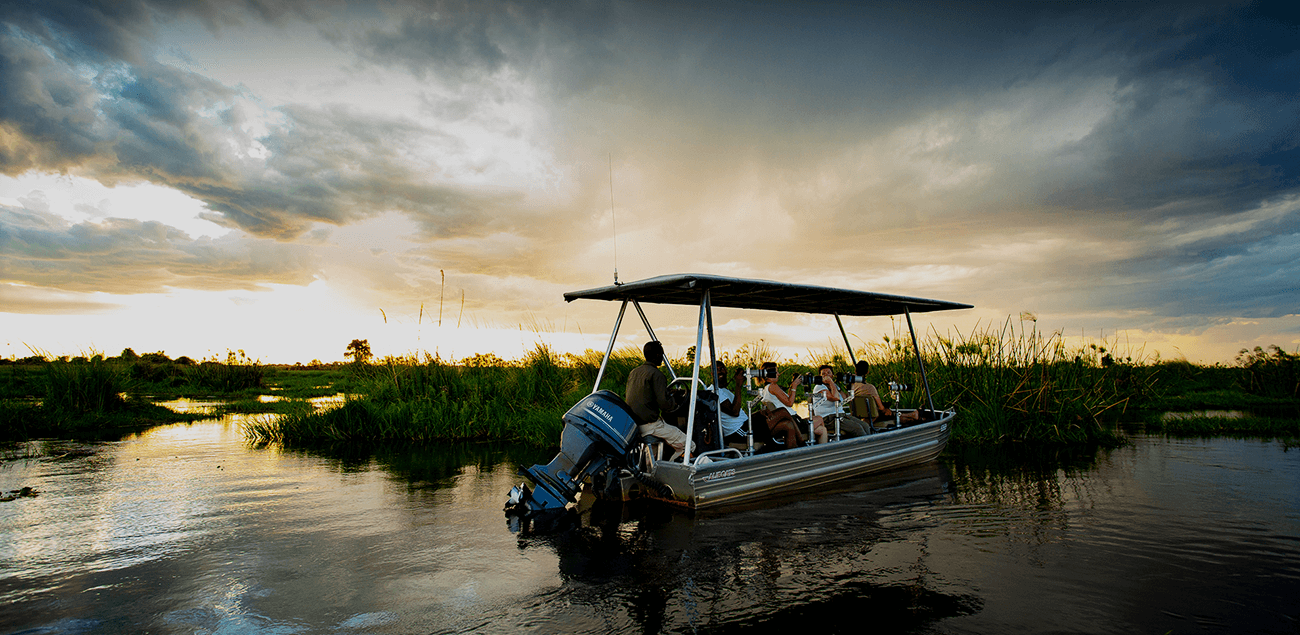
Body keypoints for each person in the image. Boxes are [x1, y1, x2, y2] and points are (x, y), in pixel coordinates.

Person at [625, 341, 692, 459]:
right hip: (651, 425)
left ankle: (652, 466)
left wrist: (667, 393)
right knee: (689, 445)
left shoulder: (633, 372)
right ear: (656, 355)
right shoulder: (657, 375)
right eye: (661, 354)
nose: (662, 357)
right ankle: (672, 466)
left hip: (635, 424)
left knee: (655, 453)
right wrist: (674, 402)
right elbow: (664, 404)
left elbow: (645, 395)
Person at [756, 361, 826, 446]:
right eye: (776, 372)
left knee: (822, 430)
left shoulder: (766, 388)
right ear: (770, 373)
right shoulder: (773, 386)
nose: (778, 374)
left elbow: (787, 400)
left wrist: (792, 387)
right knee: (819, 419)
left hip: (791, 419)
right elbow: (790, 403)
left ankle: (815, 445)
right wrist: (794, 387)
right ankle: (811, 445)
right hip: (793, 420)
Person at [850, 360, 919, 426]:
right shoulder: (870, 388)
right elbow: (881, 408)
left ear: (855, 371)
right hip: (872, 416)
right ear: (867, 372)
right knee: (887, 412)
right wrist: (885, 409)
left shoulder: (851, 386)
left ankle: (912, 416)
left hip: (858, 415)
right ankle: (912, 416)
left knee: (888, 413)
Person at [810, 364, 869, 439]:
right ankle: (864, 445)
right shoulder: (819, 387)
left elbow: (847, 398)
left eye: (829, 373)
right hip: (828, 418)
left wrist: (851, 384)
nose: (826, 375)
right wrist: (831, 382)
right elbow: (835, 398)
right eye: (823, 374)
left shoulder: (834, 386)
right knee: (857, 428)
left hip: (840, 415)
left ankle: (869, 443)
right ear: (820, 376)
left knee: (865, 425)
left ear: (832, 375)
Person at [706, 361, 750, 445]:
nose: (720, 371)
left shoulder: (723, 390)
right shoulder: (713, 392)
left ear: (726, 370)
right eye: (716, 369)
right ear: (712, 373)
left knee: (766, 414)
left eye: (722, 368)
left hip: (743, 424)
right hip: (736, 431)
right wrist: (738, 385)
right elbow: (735, 412)